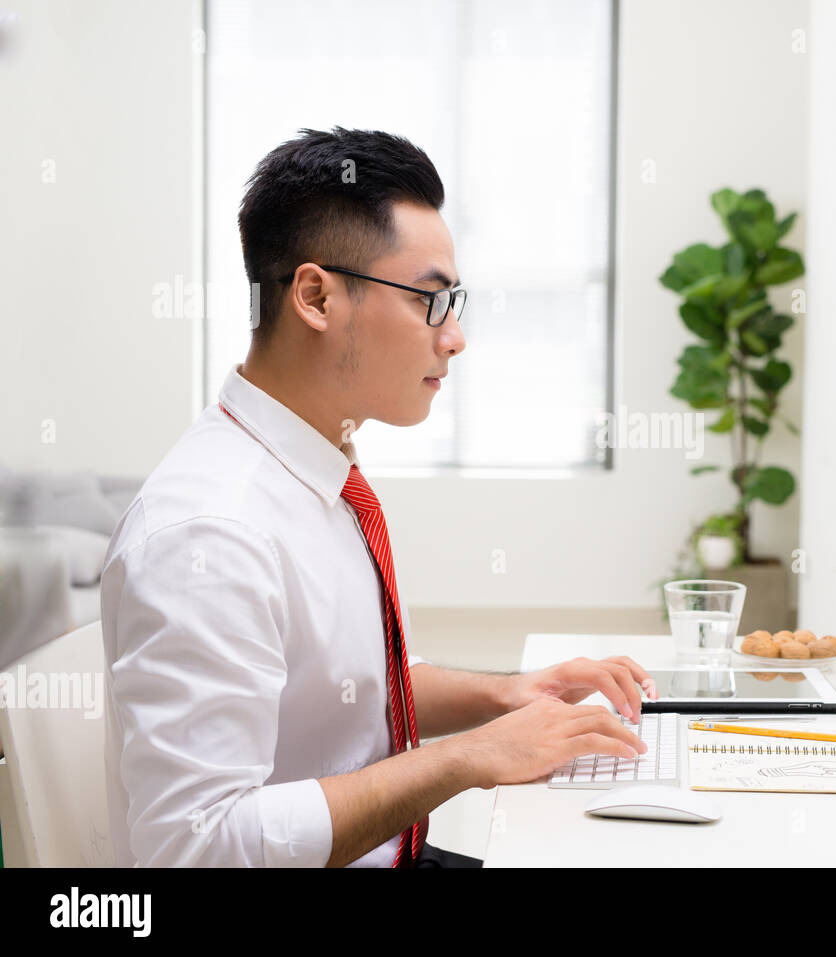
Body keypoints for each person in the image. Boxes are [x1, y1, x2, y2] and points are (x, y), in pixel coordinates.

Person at [100, 127, 655, 868]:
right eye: (430, 300)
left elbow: (343, 689)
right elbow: (194, 847)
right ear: (316, 296)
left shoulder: (312, 471)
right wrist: (466, 758)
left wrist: (508, 696)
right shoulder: (210, 533)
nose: (453, 337)